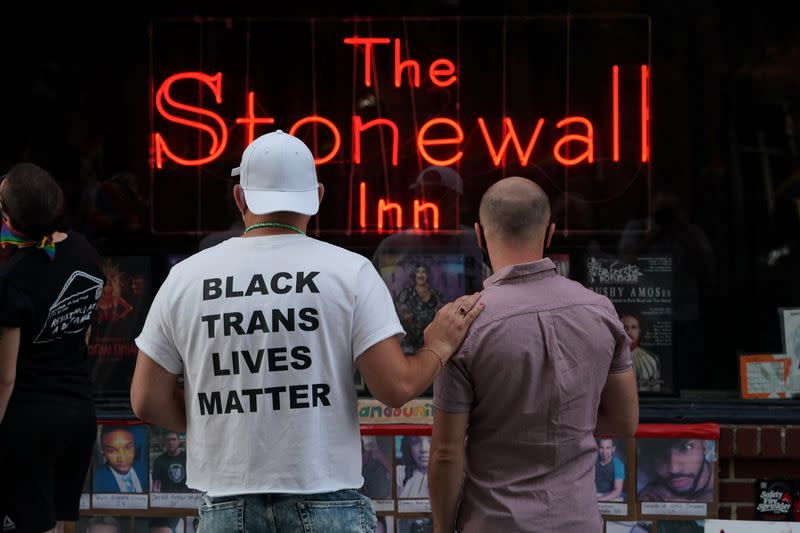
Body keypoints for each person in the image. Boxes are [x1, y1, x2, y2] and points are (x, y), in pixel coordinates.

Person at [130, 130, 483, 533]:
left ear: (240, 198)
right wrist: (438, 345)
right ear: (316, 195)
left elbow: (146, 399)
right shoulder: (349, 272)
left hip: (227, 506)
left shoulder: (185, 279)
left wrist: (230, 421)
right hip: (327, 503)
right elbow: (395, 387)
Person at [430, 177, 639, 533]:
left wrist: (441, 529)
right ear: (551, 232)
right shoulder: (600, 311)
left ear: (478, 235)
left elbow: (446, 453)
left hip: (493, 523)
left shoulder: (463, 324)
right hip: (579, 522)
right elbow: (624, 421)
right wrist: (561, 424)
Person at [0, 163, 105, 533]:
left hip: (31, 421)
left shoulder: (13, 277)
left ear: (10, 219)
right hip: (78, 415)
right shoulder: (84, 253)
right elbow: (84, 332)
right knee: (57, 525)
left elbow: (5, 377)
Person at [638, 439, 714, 502]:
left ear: (704, 445)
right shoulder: (650, 490)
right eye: (658, 453)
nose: (674, 470)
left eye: (686, 447)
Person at [396, 265, 446, 354]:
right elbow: (399, 309)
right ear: (414, 275)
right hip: (410, 343)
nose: (421, 275)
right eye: (418, 272)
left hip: (432, 342)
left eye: (424, 272)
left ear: (428, 275)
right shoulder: (406, 293)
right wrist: (406, 315)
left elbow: (444, 310)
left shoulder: (436, 294)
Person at [93, 426, 148, 493]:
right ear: (102, 451)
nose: (122, 458)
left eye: (128, 448)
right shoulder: (96, 481)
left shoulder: (144, 470)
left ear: (134, 446)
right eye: (112, 450)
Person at [620, 313, 661, 391]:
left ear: (639, 331)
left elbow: (655, 389)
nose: (629, 331)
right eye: (625, 327)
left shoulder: (651, 359)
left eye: (633, 327)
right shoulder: (609, 358)